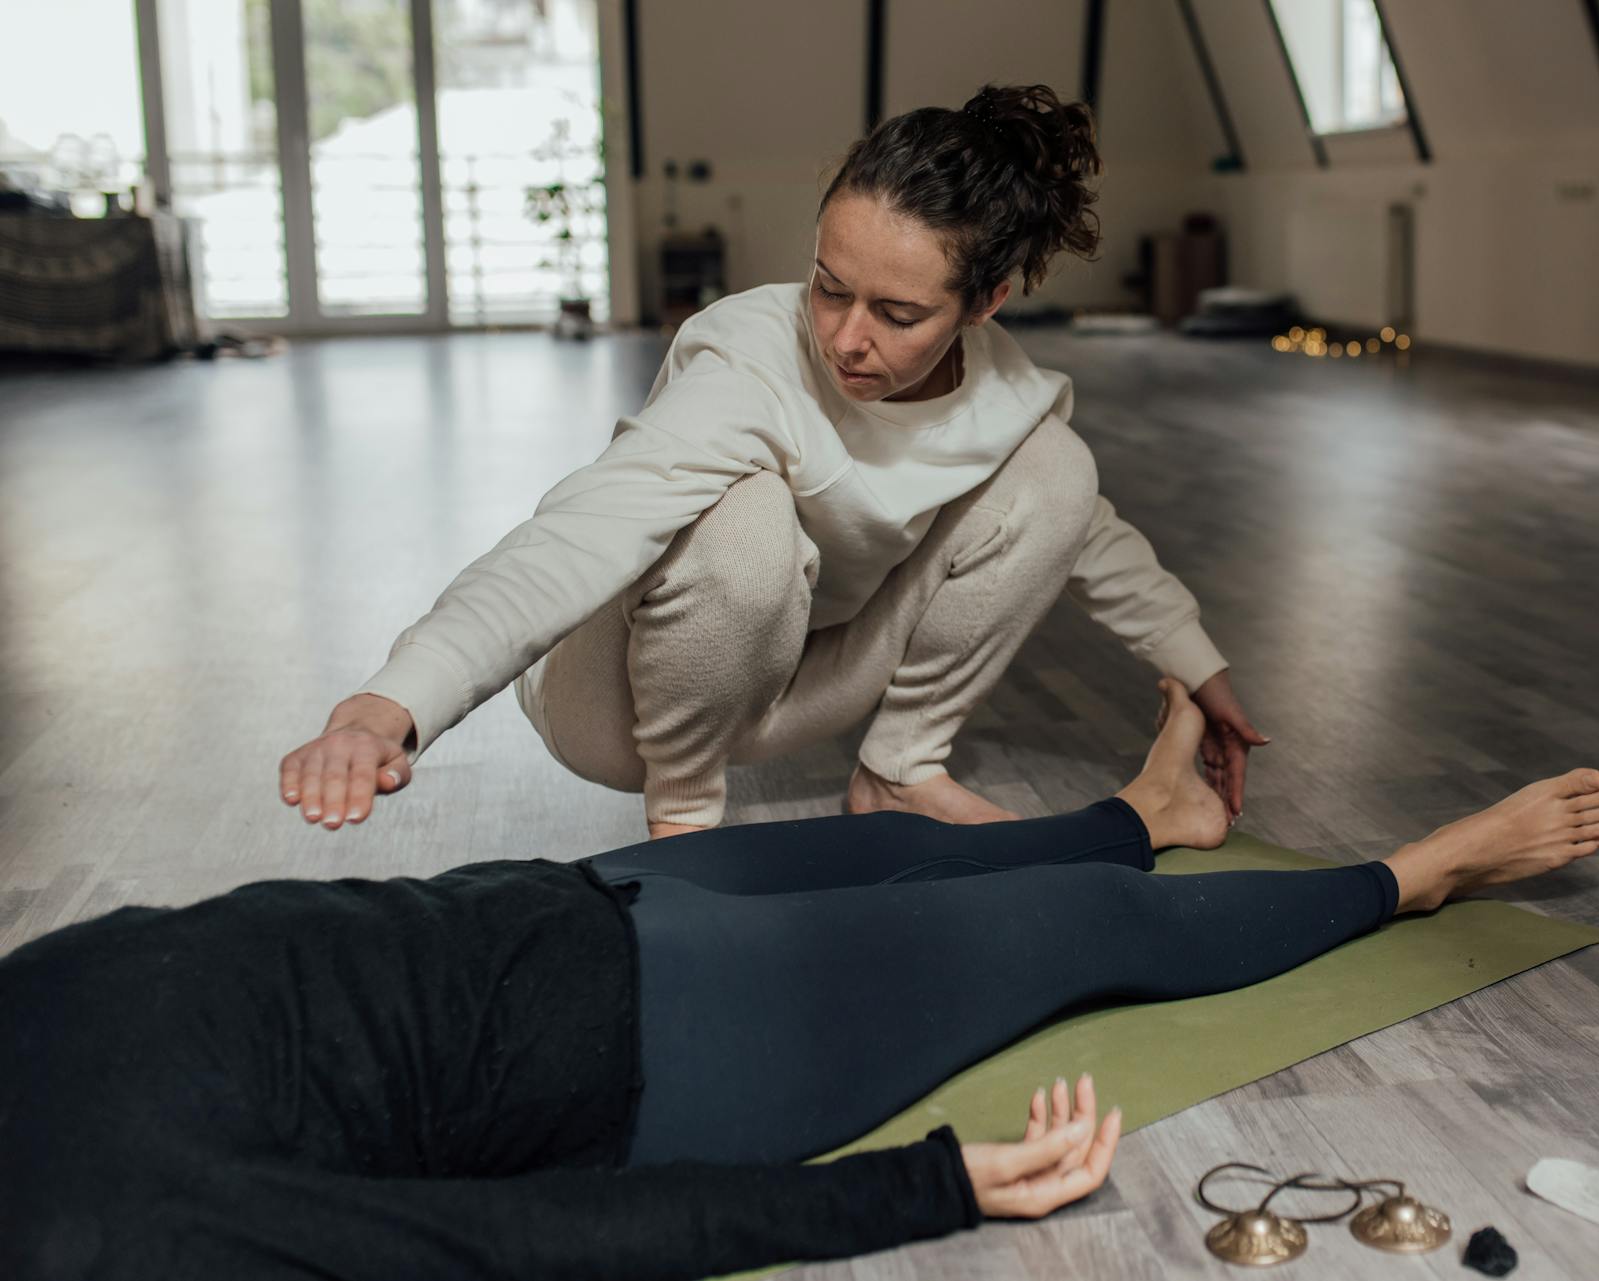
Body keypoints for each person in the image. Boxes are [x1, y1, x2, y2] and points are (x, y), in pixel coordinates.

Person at [2, 683, 1599, 1280]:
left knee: (892, 853)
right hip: (671, 1055)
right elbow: (511, 1241)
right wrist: (917, 1193)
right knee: (1070, 936)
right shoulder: (103, 1229)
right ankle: (1427, 872)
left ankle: (1155, 815)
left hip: (550, 909)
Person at [277, 83, 1270, 842]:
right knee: (745, 516)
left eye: (898, 313)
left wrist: (1197, 660)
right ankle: (685, 820)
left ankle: (896, 773)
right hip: (613, 702)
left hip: (785, 674)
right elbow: (574, 537)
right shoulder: (747, 361)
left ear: (988, 302)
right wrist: (389, 705)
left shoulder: (1006, 392)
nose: (845, 337)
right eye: (829, 287)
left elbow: (1082, 532)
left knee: (1058, 466)